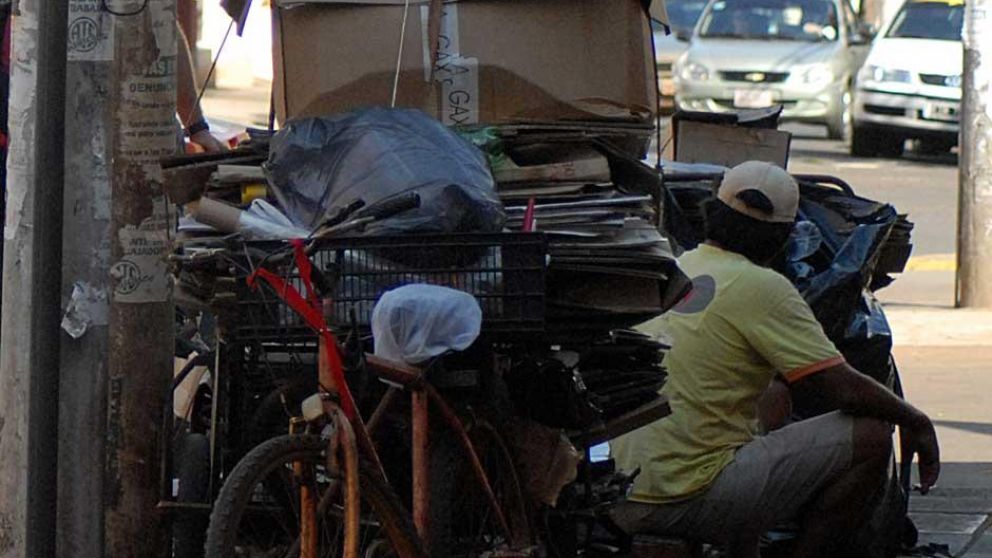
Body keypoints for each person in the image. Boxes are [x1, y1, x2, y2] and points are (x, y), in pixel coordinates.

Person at [610, 161, 940, 558]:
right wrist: (915, 420)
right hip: (683, 496)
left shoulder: (678, 266)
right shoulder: (763, 287)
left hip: (621, 493)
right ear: (783, 237)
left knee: (773, 395)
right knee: (871, 435)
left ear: (711, 213)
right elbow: (842, 388)